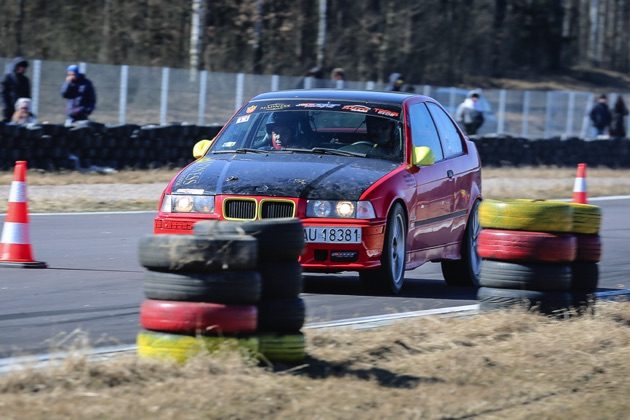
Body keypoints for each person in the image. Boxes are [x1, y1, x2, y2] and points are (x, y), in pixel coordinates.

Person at [2, 57, 31, 122]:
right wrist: (6, 106)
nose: (22, 68)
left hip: (22, 109)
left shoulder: (25, 80)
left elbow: (27, 95)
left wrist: (26, 107)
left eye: (24, 67)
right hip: (10, 108)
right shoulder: (8, 78)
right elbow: (4, 93)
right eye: (20, 66)